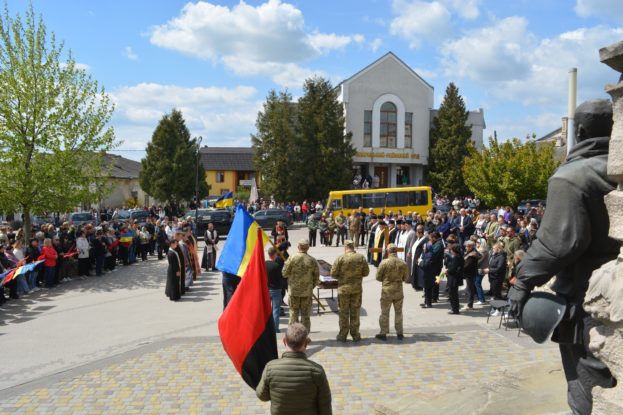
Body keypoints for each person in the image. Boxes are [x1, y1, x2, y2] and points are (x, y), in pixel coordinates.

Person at [509, 99, 617, 415]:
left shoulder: (571, 177)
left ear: (579, 132)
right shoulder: (616, 172)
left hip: (588, 301)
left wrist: (522, 282)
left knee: (589, 386)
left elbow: (558, 244)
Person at [256, 323, 332, 415]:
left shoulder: (270, 368)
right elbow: (325, 405)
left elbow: (262, 396)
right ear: (306, 343)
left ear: (284, 341)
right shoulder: (317, 371)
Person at [330, 240, 370, 342]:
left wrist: (342, 277)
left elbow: (333, 273)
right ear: (353, 246)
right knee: (355, 312)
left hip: (343, 290)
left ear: (345, 247)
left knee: (343, 313)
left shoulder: (340, 258)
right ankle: (355, 335)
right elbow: (366, 272)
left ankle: (342, 335)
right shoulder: (360, 257)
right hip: (356, 290)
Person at [282, 239, 319, 332]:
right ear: (308, 247)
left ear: (298, 247)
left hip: (294, 292)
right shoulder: (312, 260)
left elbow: (284, 273)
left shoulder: (292, 258)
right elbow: (316, 278)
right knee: (305, 315)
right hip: (306, 292)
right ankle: (304, 336)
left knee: (293, 314)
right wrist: (310, 287)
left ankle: (293, 336)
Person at [375, 244, 409, 340]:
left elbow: (378, 277)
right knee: (398, 312)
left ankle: (383, 333)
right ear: (396, 251)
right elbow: (406, 278)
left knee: (385, 312)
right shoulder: (403, 263)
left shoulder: (384, 263)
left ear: (388, 251)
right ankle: (400, 332)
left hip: (387, 291)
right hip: (398, 291)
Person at [420, 231, 444, 308]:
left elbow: (433, 254)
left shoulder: (439, 244)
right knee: (431, 284)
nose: (429, 240)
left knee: (434, 282)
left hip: (435, 267)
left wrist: (427, 250)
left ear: (434, 238)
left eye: (430, 239)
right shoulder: (434, 243)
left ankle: (434, 298)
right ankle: (430, 299)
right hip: (432, 267)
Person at [266, 246, 285, 332]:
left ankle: (266, 328)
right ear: (275, 254)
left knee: (266, 310)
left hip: (266, 289)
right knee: (276, 310)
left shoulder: (265, 264)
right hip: (276, 289)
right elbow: (280, 278)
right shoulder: (277, 266)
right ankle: (275, 329)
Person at [444, 244, 464, 315]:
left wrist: (447, 271)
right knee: (453, 294)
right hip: (455, 278)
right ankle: (455, 309)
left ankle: (455, 309)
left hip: (453, 278)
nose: (451, 251)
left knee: (452, 294)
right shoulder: (459, 256)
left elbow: (453, 269)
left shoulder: (456, 258)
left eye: (451, 250)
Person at [461, 240, 481, 311]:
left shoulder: (473, 253)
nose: (465, 248)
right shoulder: (470, 252)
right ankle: (470, 304)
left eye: (466, 246)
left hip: (470, 273)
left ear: (470, 246)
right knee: (470, 288)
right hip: (469, 273)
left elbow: (468, 264)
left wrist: (460, 268)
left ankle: (470, 305)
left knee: (470, 289)